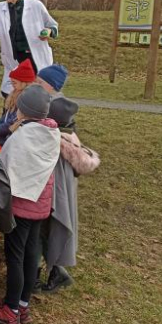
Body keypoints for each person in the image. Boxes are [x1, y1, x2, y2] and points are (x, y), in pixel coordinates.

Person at [0, 85, 60, 324]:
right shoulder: (52, 131)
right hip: (41, 204)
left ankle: (10, 310)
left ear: (22, 110)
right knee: (31, 254)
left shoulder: (22, 137)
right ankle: (22, 303)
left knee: (15, 256)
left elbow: (5, 166)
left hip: (21, 205)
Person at [36, 97, 100, 295]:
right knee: (46, 234)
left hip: (53, 198)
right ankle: (51, 273)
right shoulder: (70, 140)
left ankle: (40, 276)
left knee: (43, 234)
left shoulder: (59, 144)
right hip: (55, 197)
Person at [0, 59, 37, 146]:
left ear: (24, 82)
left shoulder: (27, 100)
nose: (12, 85)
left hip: (13, 143)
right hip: (5, 140)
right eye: (11, 82)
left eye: (14, 82)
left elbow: (11, 122)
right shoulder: (14, 95)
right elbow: (3, 120)